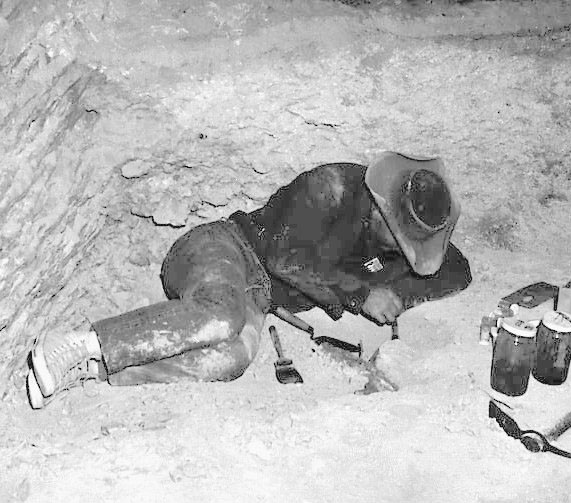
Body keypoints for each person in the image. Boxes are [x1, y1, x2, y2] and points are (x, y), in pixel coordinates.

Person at [26, 152, 472, 408]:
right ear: (380, 207)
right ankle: (82, 343)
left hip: (257, 297)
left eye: (408, 247)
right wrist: (360, 294)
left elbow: (457, 270)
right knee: (220, 317)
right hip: (223, 248)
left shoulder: (396, 241)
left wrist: (398, 290)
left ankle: (97, 370)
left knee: (229, 361)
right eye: (397, 238)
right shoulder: (332, 185)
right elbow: (284, 257)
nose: (398, 250)